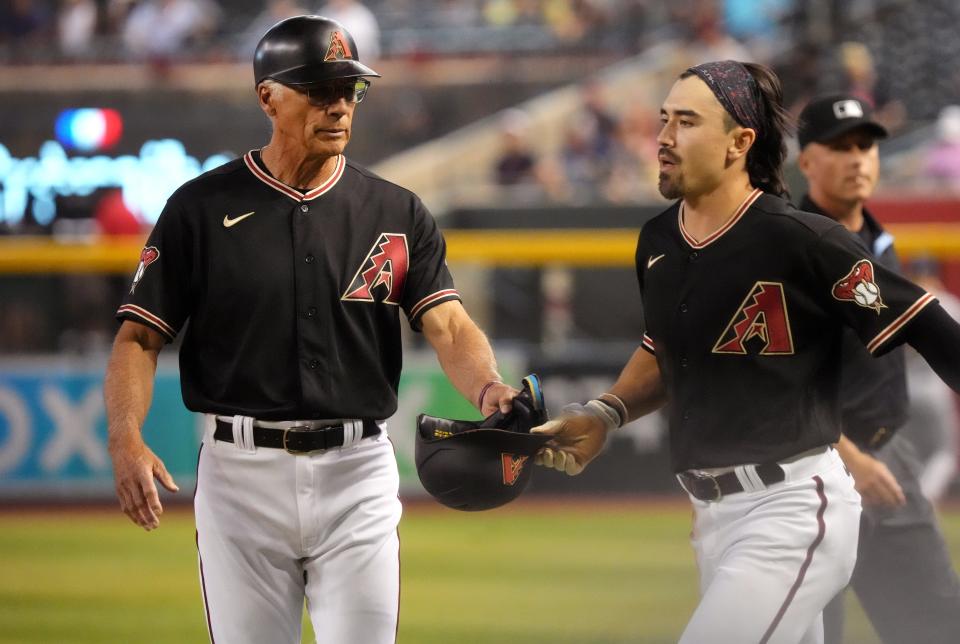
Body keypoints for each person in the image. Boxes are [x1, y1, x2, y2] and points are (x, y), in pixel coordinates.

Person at [104, 15, 518, 644]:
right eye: (320, 90)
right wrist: (125, 438)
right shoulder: (199, 209)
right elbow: (137, 338)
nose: (340, 106)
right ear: (267, 96)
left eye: (351, 90)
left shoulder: (396, 211)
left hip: (358, 473)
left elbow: (449, 325)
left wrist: (489, 388)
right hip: (239, 477)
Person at [533, 60, 960, 644]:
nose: (663, 137)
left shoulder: (801, 239)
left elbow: (931, 326)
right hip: (713, 519)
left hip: (793, 508)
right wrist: (606, 412)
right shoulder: (658, 239)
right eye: (663, 120)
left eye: (686, 122)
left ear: (740, 142)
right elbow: (662, 352)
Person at [796, 93, 960, 644]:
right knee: (816, 634)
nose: (856, 158)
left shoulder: (877, 239)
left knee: (935, 627)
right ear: (806, 161)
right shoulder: (787, 248)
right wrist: (852, 460)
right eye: (838, 147)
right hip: (811, 469)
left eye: (865, 145)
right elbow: (773, 384)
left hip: (890, 458)